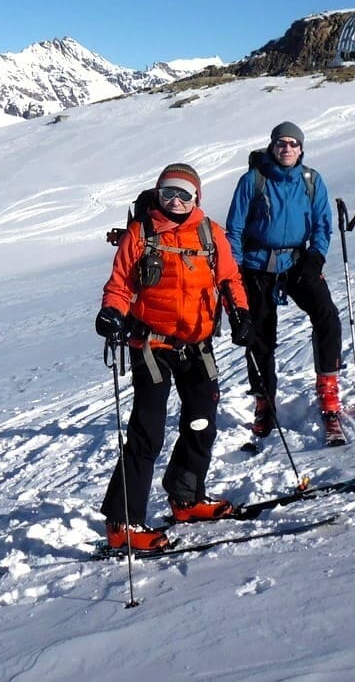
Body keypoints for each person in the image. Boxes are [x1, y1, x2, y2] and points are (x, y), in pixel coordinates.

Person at [95, 163, 254, 553]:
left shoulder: (210, 232)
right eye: (168, 193)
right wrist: (111, 312)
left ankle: (186, 498)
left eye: (184, 194)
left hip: (198, 343)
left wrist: (241, 312)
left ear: (197, 197)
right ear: (158, 193)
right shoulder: (142, 232)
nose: (176, 201)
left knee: (201, 423)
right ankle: (122, 523)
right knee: (147, 432)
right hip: (152, 345)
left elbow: (229, 278)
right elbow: (120, 283)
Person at [224, 122, 346, 446]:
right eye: (281, 143)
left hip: (297, 262)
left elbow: (323, 225)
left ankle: (329, 394)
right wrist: (235, 270)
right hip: (257, 265)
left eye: (293, 143)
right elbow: (233, 229)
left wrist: (315, 257)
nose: (287, 148)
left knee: (327, 317)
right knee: (260, 335)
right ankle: (264, 403)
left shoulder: (311, 180)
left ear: (301, 148)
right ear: (272, 146)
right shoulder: (253, 180)